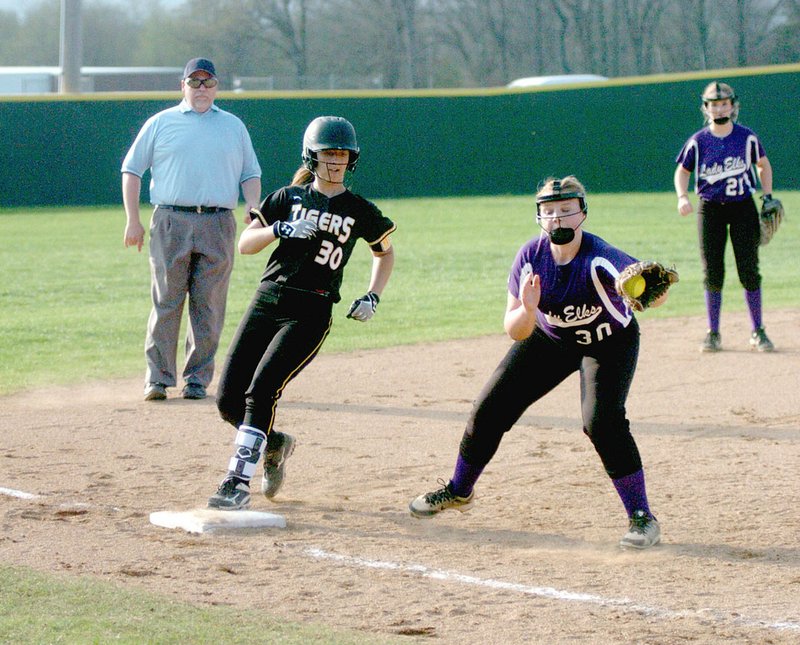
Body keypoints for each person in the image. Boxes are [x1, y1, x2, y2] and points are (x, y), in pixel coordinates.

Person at [409, 176, 669, 549]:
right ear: (539, 217)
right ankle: (459, 490)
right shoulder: (530, 258)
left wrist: (647, 291)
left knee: (602, 422)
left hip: (608, 343)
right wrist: (529, 308)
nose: (558, 219)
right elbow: (515, 330)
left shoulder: (600, 257)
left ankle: (642, 518)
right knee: (488, 409)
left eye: (566, 210)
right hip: (550, 339)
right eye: (549, 212)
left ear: (582, 213)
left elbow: (648, 288)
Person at [207, 115, 396, 510]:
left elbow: (384, 251)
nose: (336, 160)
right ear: (311, 156)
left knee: (261, 390)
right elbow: (245, 244)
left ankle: (236, 483)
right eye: (328, 153)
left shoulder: (359, 208)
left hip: (311, 309)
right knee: (228, 400)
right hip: (267, 300)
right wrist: (279, 230)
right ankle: (274, 443)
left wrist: (372, 295)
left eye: (343, 153)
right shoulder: (287, 198)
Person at [122, 57, 262, 401]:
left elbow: (250, 173)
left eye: (208, 82)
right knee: (167, 300)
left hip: (218, 221)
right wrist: (133, 219)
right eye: (194, 82)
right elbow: (132, 170)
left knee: (209, 304)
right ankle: (157, 379)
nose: (201, 89)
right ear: (182, 85)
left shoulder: (233, 126)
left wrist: (253, 206)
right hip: (171, 219)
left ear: (217, 87)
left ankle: (197, 379)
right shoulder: (161, 123)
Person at [674, 81, 775, 353]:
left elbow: (763, 165)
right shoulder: (698, 141)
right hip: (710, 209)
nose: (719, 108)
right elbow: (682, 171)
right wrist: (682, 196)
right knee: (713, 272)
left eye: (724, 103)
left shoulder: (747, 137)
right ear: (705, 108)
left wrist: (766, 196)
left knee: (749, 270)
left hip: (743, 207)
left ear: (733, 106)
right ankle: (713, 333)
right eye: (714, 104)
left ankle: (757, 330)